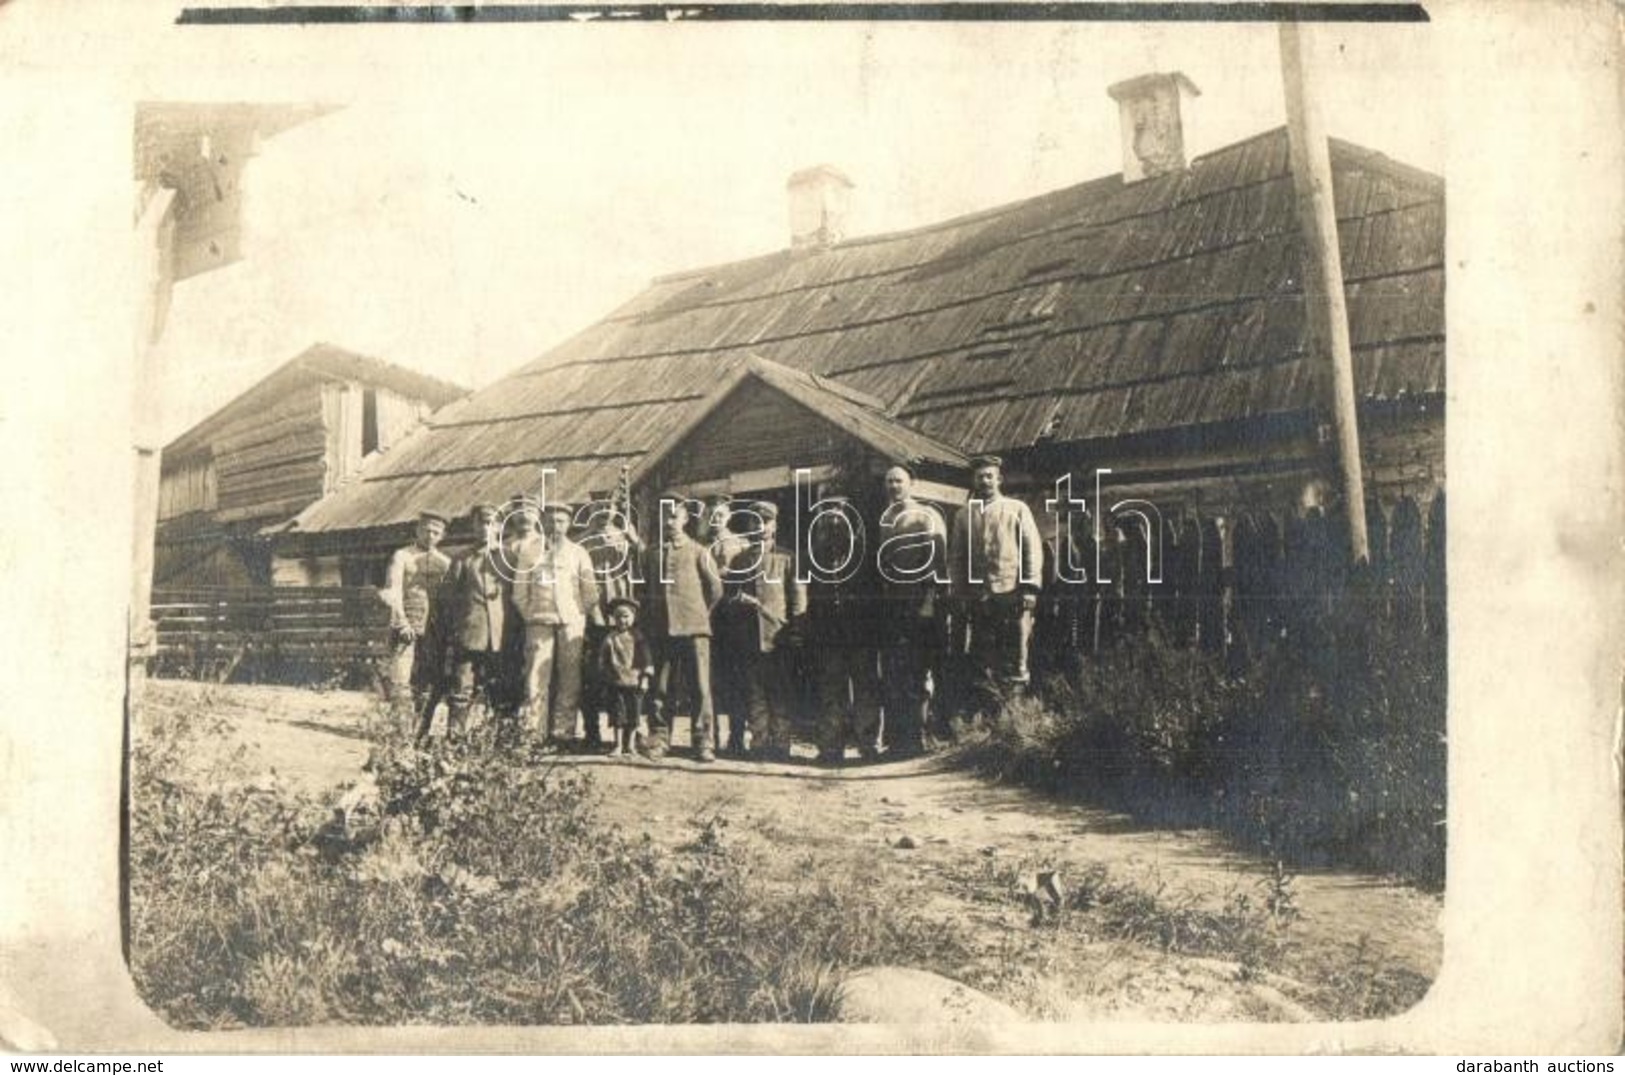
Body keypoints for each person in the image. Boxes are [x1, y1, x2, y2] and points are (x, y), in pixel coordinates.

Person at [948, 455, 1044, 713]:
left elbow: (1031, 549)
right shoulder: (963, 516)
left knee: (1016, 655)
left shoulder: (1016, 509)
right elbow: (957, 558)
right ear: (974, 480)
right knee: (983, 656)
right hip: (980, 598)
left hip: (1012, 595)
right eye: (980, 476)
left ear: (999, 479)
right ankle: (988, 720)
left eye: (990, 476)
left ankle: (1017, 717)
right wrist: (959, 593)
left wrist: (1030, 588)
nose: (985, 481)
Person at [716, 501, 806, 761]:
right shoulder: (741, 559)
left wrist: (796, 629)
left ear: (774, 525)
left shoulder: (787, 558)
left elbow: (798, 597)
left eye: (765, 521)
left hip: (778, 636)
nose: (760, 526)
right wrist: (738, 604)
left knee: (780, 692)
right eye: (755, 521)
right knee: (754, 693)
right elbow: (729, 597)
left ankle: (780, 746)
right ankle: (759, 743)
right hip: (748, 637)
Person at [642, 492, 725, 761]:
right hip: (662, 630)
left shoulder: (700, 552)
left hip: (694, 630)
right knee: (661, 688)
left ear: (685, 518)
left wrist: (699, 615)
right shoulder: (652, 554)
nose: (669, 521)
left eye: (674, 515)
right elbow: (643, 590)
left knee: (699, 687)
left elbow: (715, 590)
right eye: (665, 515)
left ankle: (703, 741)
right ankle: (659, 738)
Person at [510, 500, 599, 749]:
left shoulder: (578, 553)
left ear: (568, 524)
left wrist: (578, 616)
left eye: (560, 521)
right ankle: (532, 735)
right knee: (536, 677)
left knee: (570, 678)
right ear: (542, 522)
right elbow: (519, 592)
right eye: (550, 520)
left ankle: (563, 734)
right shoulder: (530, 551)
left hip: (571, 623)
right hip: (539, 622)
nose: (555, 525)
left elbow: (590, 592)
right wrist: (532, 615)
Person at [875, 465, 948, 755]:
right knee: (894, 672)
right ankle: (897, 740)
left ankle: (918, 739)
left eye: (899, 481)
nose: (894, 486)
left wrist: (929, 601)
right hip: (894, 606)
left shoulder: (927, 516)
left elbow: (937, 564)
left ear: (912, 484)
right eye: (889, 481)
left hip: (921, 605)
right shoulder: (887, 518)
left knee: (918, 672)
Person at [804, 498, 883, 766]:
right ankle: (831, 746)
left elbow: (877, 592)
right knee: (831, 690)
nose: (834, 521)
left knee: (865, 688)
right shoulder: (816, 554)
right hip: (829, 634)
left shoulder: (865, 552)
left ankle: (868, 744)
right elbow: (810, 595)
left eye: (839, 516)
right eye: (828, 517)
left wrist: (872, 626)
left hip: (861, 632)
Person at [419, 502, 507, 742]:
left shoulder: (509, 559)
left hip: (501, 637)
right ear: (474, 526)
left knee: (498, 689)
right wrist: (453, 634)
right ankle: (456, 738)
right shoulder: (462, 559)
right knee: (462, 688)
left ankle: (495, 739)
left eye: (491, 523)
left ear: (499, 526)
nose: (486, 528)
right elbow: (447, 601)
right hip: (469, 635)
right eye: (481, 523)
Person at [380, 511, 451, 729]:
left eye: (436, 532)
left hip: (433, 630)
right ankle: (399, 728)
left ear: (442, 536)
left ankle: (422, 727)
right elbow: (392, 591)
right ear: (418, 530)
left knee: (427, 679)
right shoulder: (402, 556)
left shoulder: (445, 562)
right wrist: (401, 623)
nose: (430, 535)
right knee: (401, 677)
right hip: (407, 626)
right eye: (426, 530)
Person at [595, 596, 653, 757]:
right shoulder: (610, 638)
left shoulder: (638, 638)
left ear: (633, 617)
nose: (623, 620)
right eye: (619, 616)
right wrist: (605, 675)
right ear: (613, 618)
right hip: (616, 683)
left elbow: (647, 659)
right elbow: (602, 659)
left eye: (626, 616)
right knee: (618, 715)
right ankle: (618, 745)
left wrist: (645, 678)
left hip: (635, 682)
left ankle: (631, 744)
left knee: (634, 715)